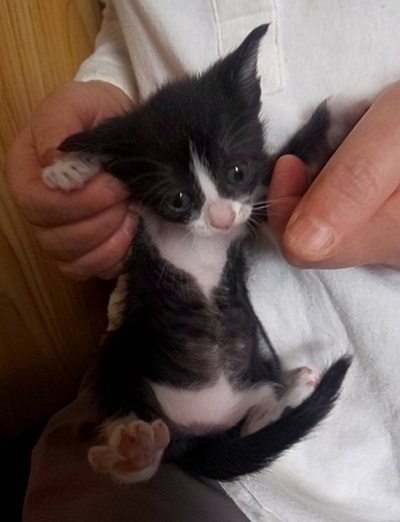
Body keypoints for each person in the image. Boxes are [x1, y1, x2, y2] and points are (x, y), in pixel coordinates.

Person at [6, 1, 400, 521]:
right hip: (162, 393)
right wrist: (103, 97)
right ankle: (134, 435)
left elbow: (283, 169)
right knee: (116, 372)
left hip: (307, 408)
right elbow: (124, 29)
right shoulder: (152, 195)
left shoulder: (243, 175)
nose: (221, 215)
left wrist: (327, 125)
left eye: (236, 175)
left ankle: (243, 415)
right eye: (178, 201)